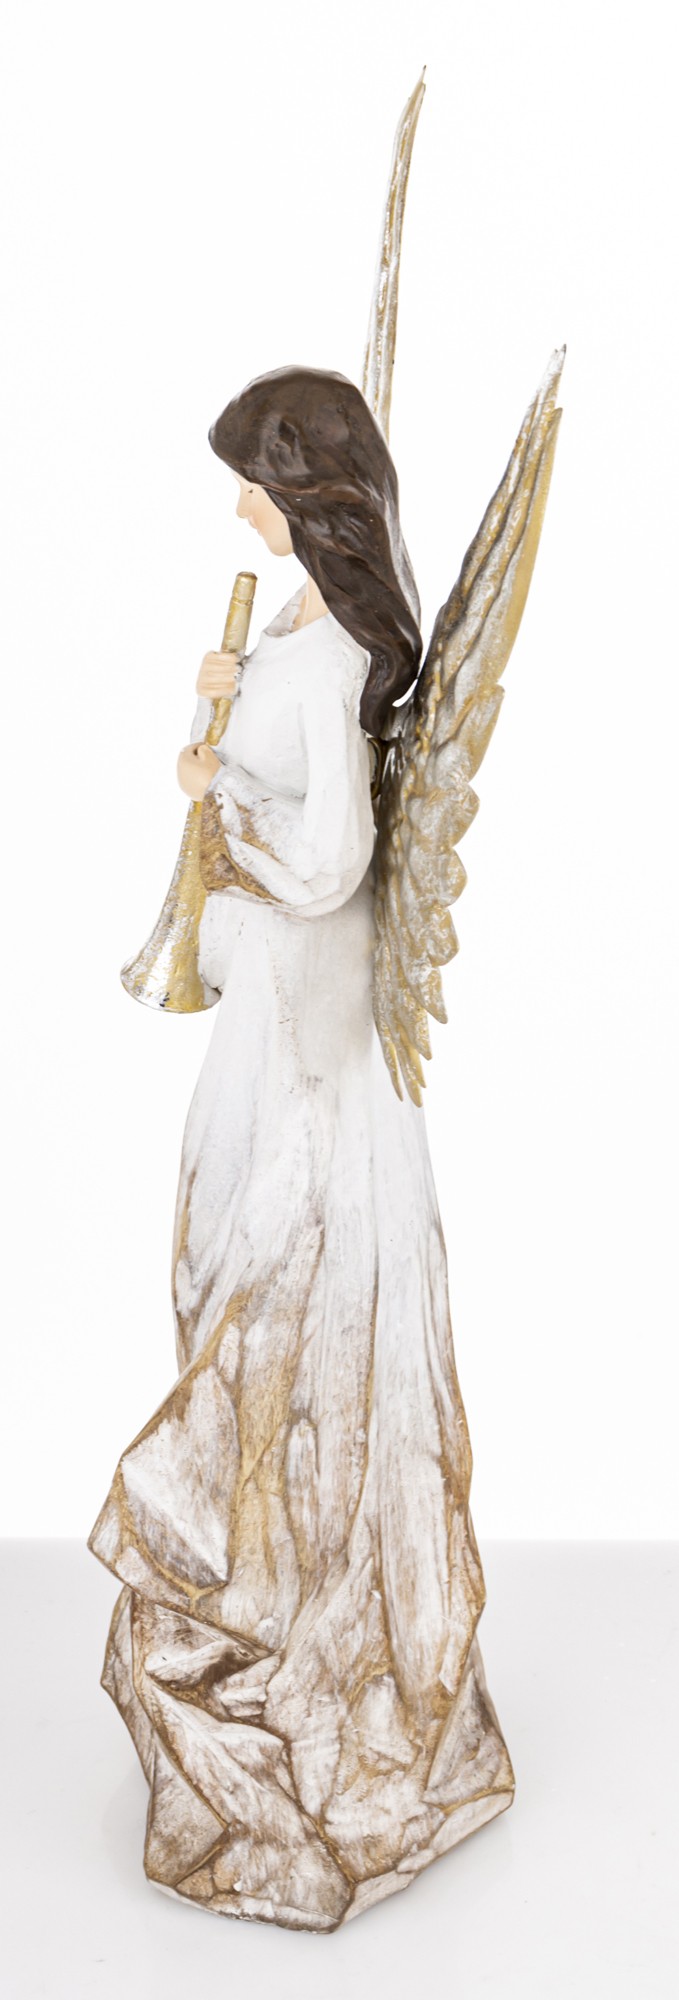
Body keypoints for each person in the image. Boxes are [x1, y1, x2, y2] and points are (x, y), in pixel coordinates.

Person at [89, 366, 514, 1932]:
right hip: (265, 1015)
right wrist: (224, 713)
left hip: (305, 1040)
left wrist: (225, 801)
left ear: (305, 492)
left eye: (256, 484)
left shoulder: (334, 659)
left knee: (270, 1296)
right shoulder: (297, 628)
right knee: (225, 1277)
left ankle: (295, 1607)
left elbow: (333, 861)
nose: (240, 508)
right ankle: (263, 1588)